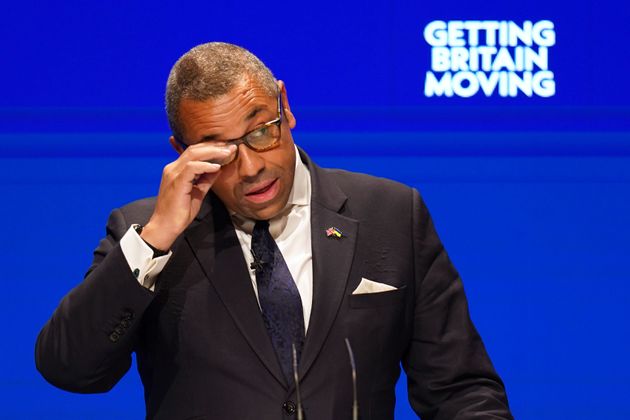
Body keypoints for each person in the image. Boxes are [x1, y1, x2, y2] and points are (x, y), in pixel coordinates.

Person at [36, 42, 512, 420]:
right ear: (180, 152)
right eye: (217, 152)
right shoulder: (146, 236)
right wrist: (156, 237)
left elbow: (461, 392)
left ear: (285, 105)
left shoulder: (390, 214)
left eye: (261, 131)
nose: (250, 168)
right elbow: (72, 370)